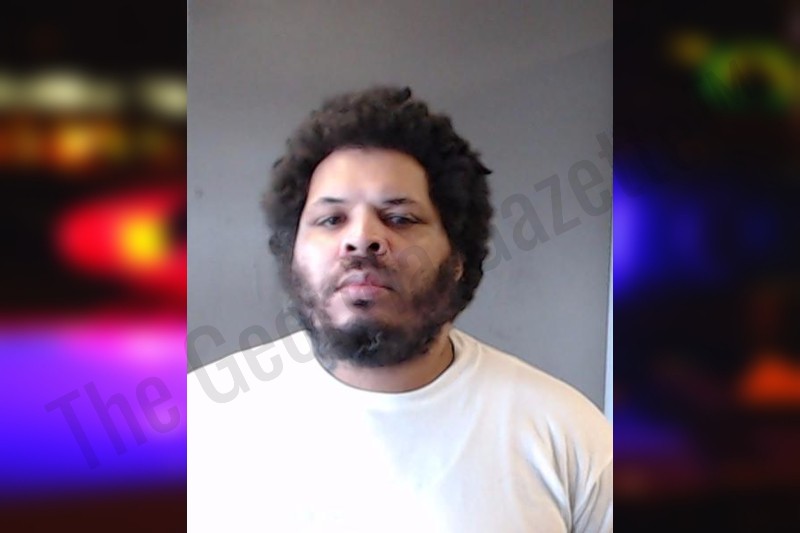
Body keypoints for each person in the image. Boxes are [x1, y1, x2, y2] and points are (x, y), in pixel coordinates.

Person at [188, 86, 612, 532]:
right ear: (292, 252)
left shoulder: (570, 436)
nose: (361, 239)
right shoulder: (197, 423)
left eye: (400, 218)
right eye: (331, 219)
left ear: (458, 258)